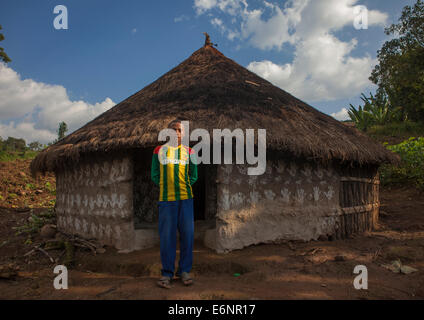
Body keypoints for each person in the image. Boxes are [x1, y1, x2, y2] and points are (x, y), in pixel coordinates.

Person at [151, 119, 198, 289]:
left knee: (187, 235)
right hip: (166, 200)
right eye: (173, 130)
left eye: (180, 130)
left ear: (184, 134)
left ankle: (184, 271)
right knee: (167, 237)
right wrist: (166, 186)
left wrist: (183, 187)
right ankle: (167, 274)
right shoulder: (159, 151)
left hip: (186, 200)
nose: (177, 133)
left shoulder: (190, 152)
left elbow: (194, 175)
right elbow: (154, 174)